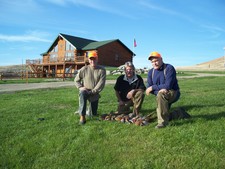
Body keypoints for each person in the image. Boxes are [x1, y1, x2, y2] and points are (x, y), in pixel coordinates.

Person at [146, 51, 180, 129]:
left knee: (161, 96)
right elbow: (148, 88)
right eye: (152, 62)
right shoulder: (151, 72)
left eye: (156, 61)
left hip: (173, 92)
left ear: (161, 59)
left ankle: (162, 123)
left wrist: (153, 88)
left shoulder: (169, 68)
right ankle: (179, 113)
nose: (154, 63)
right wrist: (158, 90)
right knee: (158, 114)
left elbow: (168, 85)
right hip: (160, 94)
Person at [74, 51, 106, 125]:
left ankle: (84, 110)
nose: (93, 61)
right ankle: (82, 116)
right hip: (85, 91)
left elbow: (101, 84)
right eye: (91, 59)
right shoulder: (84, 69)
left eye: (94, 59)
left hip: (94, 93)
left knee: (93, 114)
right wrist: (80, 87)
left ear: (97, 59)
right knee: (82, 94)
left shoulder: (102, 70)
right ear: (89, 60)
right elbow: (76, 80)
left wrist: (93, 92)